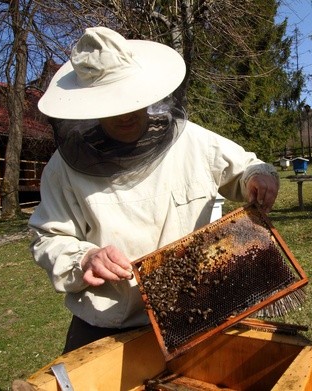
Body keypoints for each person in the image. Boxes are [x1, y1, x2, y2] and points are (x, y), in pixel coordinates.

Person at [28, 26, 279, 353]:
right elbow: (47, 238)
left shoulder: (192, 140)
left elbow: (247, 168)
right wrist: (84, 258)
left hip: (194, 311)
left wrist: (259, 175)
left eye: (129, 97)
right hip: (110, 323)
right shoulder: (62, 170)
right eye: (110, 103)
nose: (126, 113)